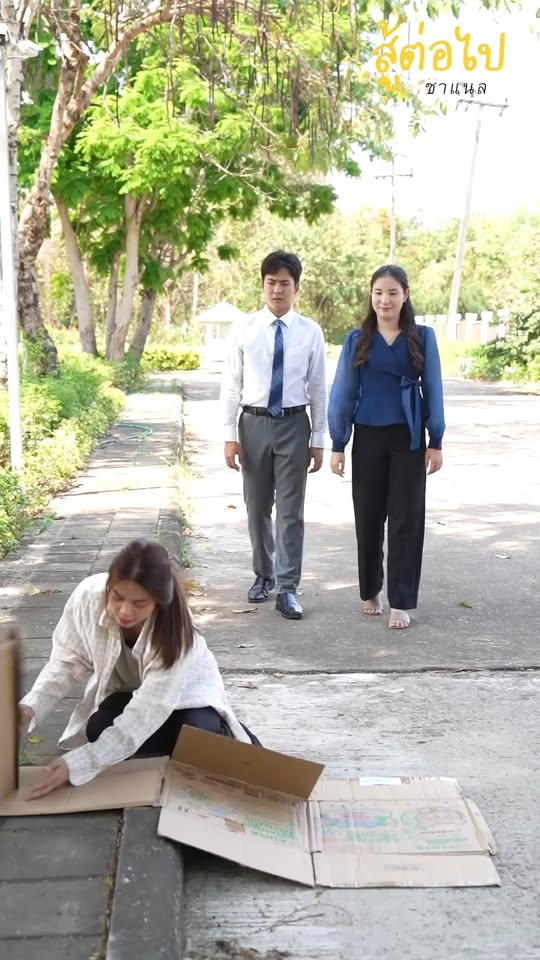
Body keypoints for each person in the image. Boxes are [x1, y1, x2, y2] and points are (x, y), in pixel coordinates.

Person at [18, 540, 259, 800]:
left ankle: (221, 738)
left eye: (139, 603)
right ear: (109, 585)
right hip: (131, 694)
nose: (125, 611)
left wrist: (78, 763)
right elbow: (67, 662)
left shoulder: (175, 632)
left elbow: (147, 710)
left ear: (158, 602)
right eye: (117, 597)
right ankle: (185, 750)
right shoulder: (88, 597)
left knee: (197, 736)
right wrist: (30, 707)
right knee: (98, 728)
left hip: (188, 699)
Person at [327, 264, 445, 630]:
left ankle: (402, 601)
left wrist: (436, 439)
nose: (385, 300)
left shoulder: (422, 337)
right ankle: (371, 590)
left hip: (409, 436)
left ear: (405, 295)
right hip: (368, 435)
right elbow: (343, 392)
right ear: (371, 296)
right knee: (368, 517)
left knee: (407, 519)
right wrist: (337, 442)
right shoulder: (357, 339)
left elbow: (434, 388)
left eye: (393, 292)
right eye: (379, 292)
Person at [220, 250, 327, 620]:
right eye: (271, 282)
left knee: (291, 510)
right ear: (263, 285)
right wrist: (229, 434)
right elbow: (231, 384)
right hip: (253, 424)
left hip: (295, 424)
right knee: (257, 506)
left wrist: (318, 439)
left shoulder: (310, 332)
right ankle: (263, 574)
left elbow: (318, 388)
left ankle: (288, 587)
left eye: (285, 283)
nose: (277, 290)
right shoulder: (244, 329)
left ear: (296, 288)